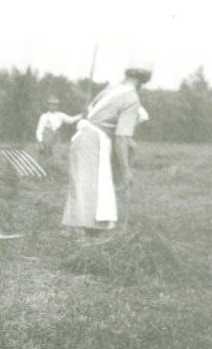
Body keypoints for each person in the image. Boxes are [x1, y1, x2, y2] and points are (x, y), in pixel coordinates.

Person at [60, 62, 152, 237]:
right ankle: (88, 239)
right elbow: (121, 137)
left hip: (81, 138)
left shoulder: (111, 89)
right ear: (143, 82)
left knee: (85, 188)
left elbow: (89, 115)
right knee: (96, 191)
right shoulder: (132, 99)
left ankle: (81, 234)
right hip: (94, 141)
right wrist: (126, 171)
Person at [36, 96, 80, 166]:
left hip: (56, 136)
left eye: (55, 105)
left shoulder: (60, 115)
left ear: (57, 106)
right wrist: (40, 142)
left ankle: (54, 169)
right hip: (47, 136)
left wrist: (81, 116)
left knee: (57, 154)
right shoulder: (44, 116)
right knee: (45, 154)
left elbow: (70, 120)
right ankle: (44, 169)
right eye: (51, 104)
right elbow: (39, 130)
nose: (53, 106)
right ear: (48, 105)